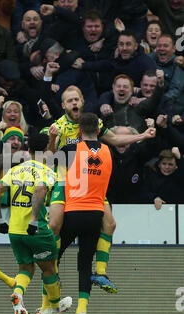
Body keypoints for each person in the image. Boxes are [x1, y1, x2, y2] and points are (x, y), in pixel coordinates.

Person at [46, 85, 157, 297]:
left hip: (92, 183)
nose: (75, 103)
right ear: (63, 106)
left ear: (82, 101)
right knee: (54, 225)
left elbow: (115, 140)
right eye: (70, 101)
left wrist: (142, 135)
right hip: (65, 184)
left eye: (77, 99)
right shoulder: (56, 127)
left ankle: (101, 272)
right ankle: (53, 272)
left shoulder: (93, 123)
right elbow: (50, 158)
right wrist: (51, 139)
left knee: (111, 223)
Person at [0, 132, 61, 314]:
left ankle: (18, 294)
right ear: (46, 150)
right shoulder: (46, 170)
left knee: (26, 268)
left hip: (14, 231)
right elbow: (40, 189)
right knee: (49, 268)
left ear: (27, 150)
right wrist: (33, 220)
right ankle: (55, 306)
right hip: (36, 230)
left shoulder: (15, 170)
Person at [55, 112, 113, 314]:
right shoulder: (108, 151)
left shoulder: (69, 150)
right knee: (85, 263)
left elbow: (55, 174)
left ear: (79, 131)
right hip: (95, 214)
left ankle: (52, 301)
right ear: (98, 131)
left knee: (54, 257)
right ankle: (82, 310)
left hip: (72, 212)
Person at [72, 30, 157, 91]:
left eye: (128, 44)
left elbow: (153, 90)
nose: (124, 48)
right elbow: (104, 64)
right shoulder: (117, 59)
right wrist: (83, 65)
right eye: (121, 44)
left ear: (135, 46)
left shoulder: (146, 63)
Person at [99, 72, 165, 133]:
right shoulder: (105, 104)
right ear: (113, 88)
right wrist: (103, 105)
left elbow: (154, 100)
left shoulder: (137, 104)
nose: (121, 89)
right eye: (118, 86)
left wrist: (160, 84)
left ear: (132, 90)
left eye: (125, 87)